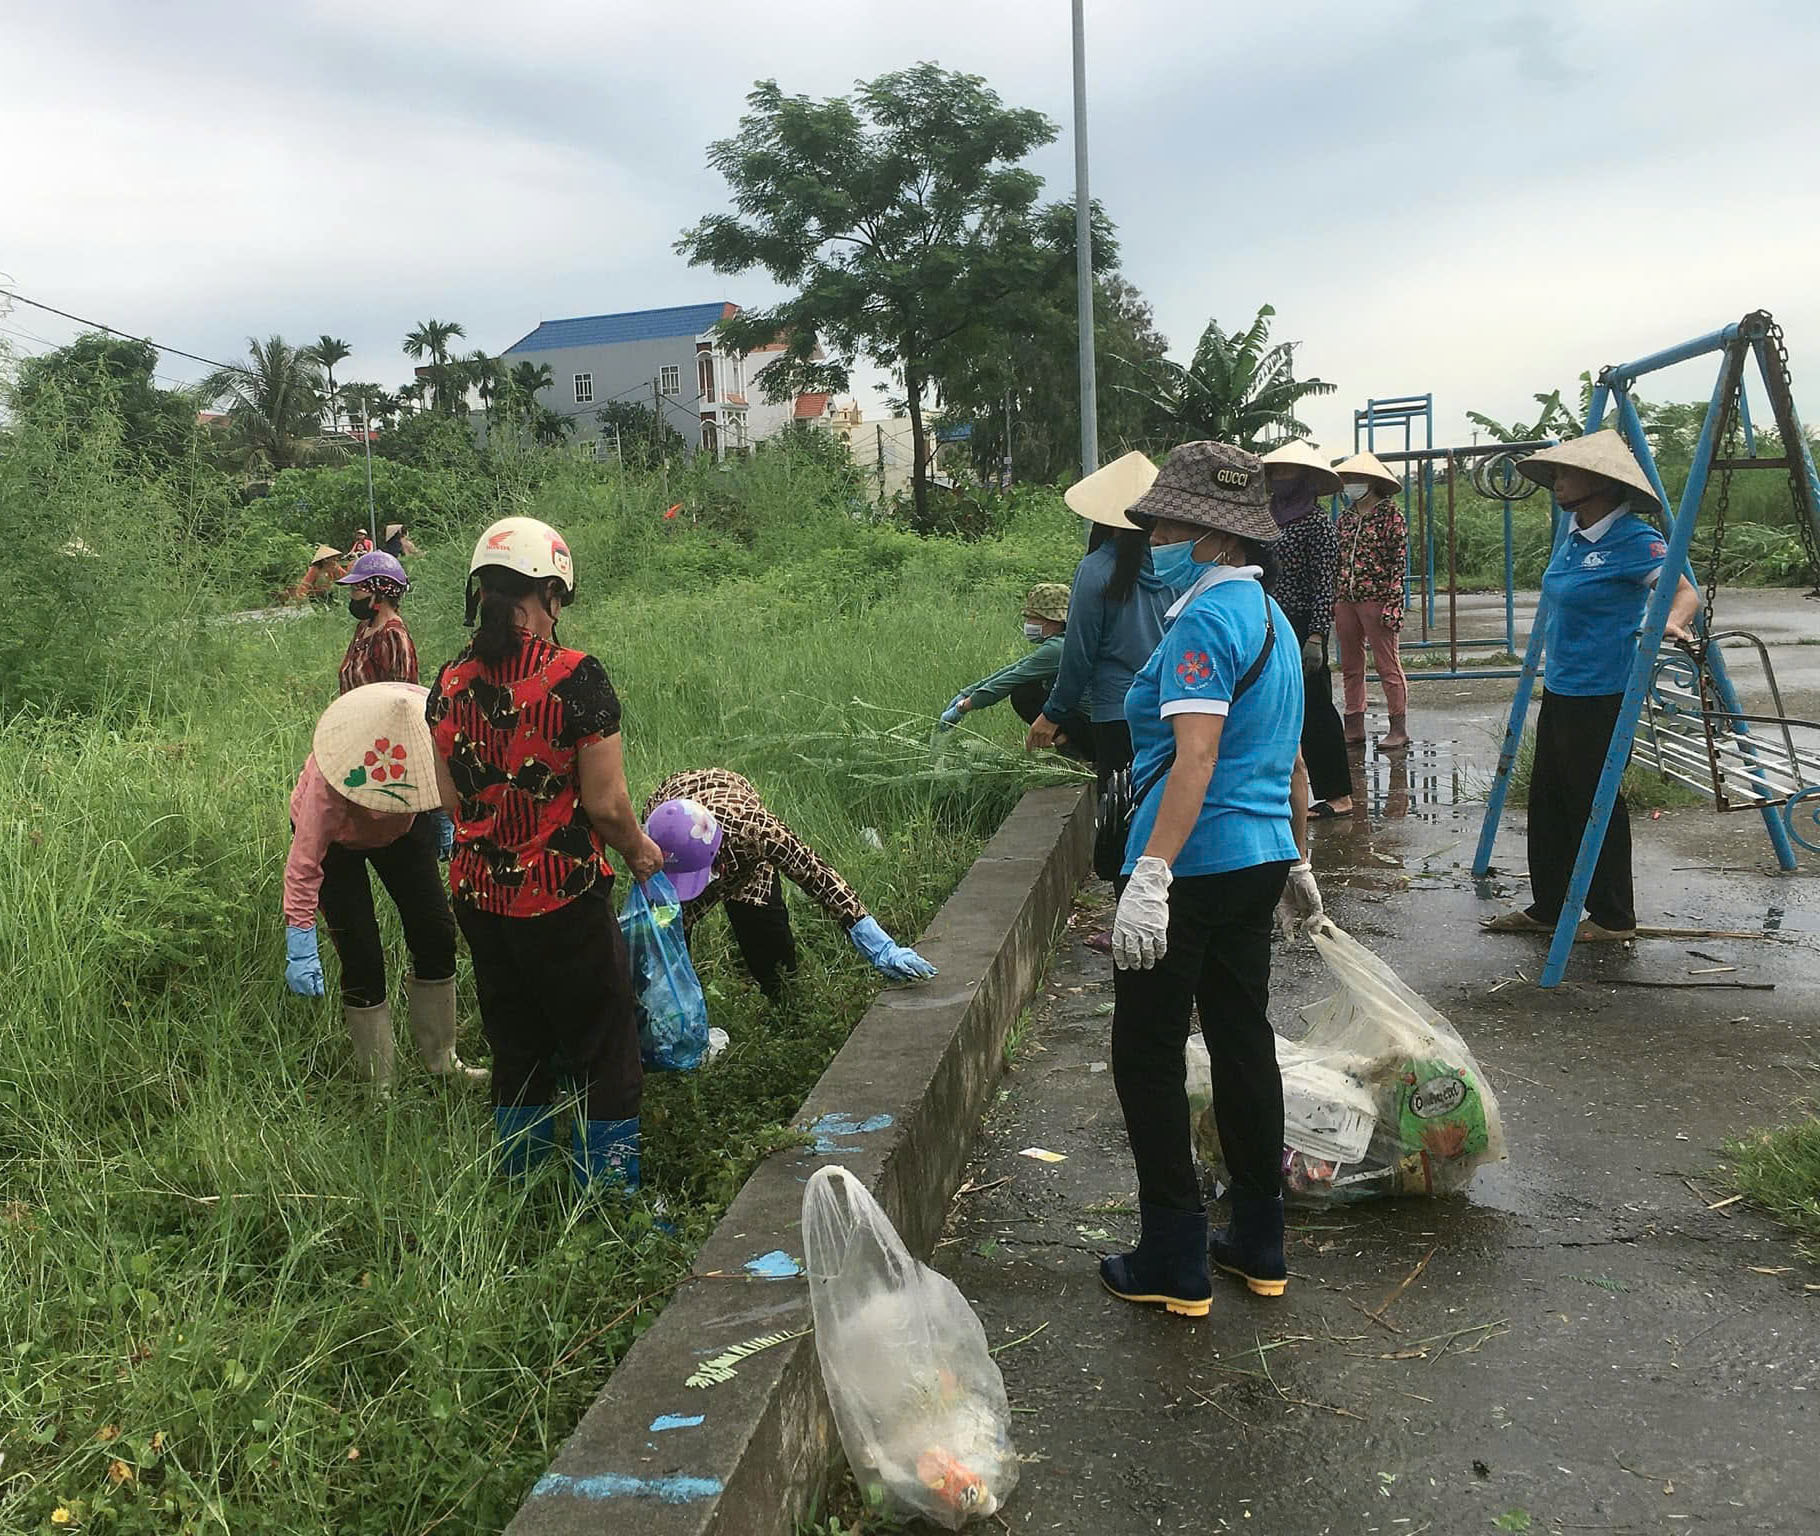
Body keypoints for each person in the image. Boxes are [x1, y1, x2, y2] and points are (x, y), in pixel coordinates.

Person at [1095, 441, 1323, 1318]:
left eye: (1163, 522)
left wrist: (1150, 873)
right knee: (1241, 1039)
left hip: (1189, 863)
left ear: (1207, 533)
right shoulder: (1268, 615)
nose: (1151, 536)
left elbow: (1195, 758)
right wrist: (1298, 855)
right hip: (1259, 858)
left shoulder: (1201, 623)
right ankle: (1260, 1245)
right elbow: (1292, 758)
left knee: (1146, 1052)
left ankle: (1173, 1256)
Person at [426, 516, 666, 1194]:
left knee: (515, 1042)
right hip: (561, 900)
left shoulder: (445, 682)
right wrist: (642, 852)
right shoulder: (575, 677)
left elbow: (450, 801)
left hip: (478, 899)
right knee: (602, 1043)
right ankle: (611, 1195)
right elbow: (608, 806)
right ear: (552, 594)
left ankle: (524, 1187)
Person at [1482, 430, 1698, 942]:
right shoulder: (1574, 536)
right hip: (1563, 685)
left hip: (1605, 690)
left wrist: (1670, 622)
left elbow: (1684, 592)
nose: (1556, 481)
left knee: (1593, 797)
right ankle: (1551, 905)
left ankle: (1613, 916)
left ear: (1600, 483)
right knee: (1550, 797)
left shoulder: (1634, 539)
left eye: (1565, 473)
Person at [281, 682, 485, 1087]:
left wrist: (442, 818)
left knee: (435, 932)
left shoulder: (427, 747)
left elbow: (444, 788)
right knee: (362, 953)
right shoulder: (330, 782)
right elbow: (305, 862)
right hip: (339, 843)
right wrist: (299, 936)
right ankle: (381, 1084)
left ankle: (442, 1060)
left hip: (404, 830)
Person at [643, 770, 937, 1001]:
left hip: (744, 859)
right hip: (675, 845)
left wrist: (878, 944)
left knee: (771, 949)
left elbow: (817, 875)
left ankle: (786, 1011)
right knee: (668, 941)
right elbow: (652, 922)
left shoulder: (756, 831)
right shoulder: (653, 842)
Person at [1026, 451, 1179, 870]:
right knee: (1164, 812)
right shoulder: (1176, 566)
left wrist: (1052, 713)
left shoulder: (1095, 570)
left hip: (1115, 715)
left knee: (1121, 818)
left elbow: (1078, 655)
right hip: (1172, 709)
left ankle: (1126, 924)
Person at [1262, 440, 1353, 817]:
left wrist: (1316, 636)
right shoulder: (1267, 519)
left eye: (1286, 472)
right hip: (1272, 620)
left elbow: (1324, 585)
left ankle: (1338, 794)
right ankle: (1287, 786)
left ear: (1304, 479)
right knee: (1277, 705)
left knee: (1315, 707)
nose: (1279, 479)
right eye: (1275, 472)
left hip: (1304, 626)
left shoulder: (1318, 525)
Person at [1332, 451, 1410, 749]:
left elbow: (1398, 562)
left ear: (1373, 482)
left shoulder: (1391, 515)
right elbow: (1337, 559)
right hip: (1345, 598)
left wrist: (1393, 602)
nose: (1350, 485)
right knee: (1351, 665)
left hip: (1377, 599)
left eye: (1356, 479)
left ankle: (1398, 728)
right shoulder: (1346, 517)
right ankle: (1353, 725)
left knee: (1387, 664)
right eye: (1348, 479)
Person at [939, 585, 1072, 739]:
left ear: (1053, 621)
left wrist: (962, 707)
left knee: (1024, 693)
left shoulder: (1058, 648)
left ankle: (1076, 749)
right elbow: (1016, 667)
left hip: (1093, 721)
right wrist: (966, 693)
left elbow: (1009, 680)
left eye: (1033, 618)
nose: (1028, 623)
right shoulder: (1064, 640)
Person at [334, 550, 419, 694]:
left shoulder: (394, 636)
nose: (352, 596)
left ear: (379, 594)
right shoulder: (364, 628)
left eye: (356, 590)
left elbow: (402, 696)